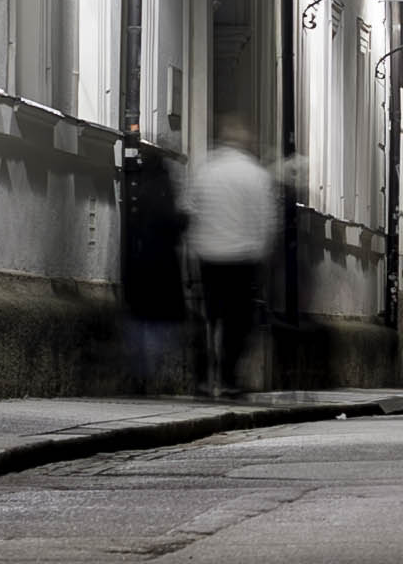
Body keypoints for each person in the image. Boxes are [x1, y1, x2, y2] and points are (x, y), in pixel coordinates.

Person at [184, 119, 280, 398]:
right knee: (238, 321)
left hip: (209, 254)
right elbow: (268, 220)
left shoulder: (205, 170)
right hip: (243, 257)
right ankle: (227, 377)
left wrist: (194, 244)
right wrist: (265, 254)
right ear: (246, 142)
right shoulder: (257, 175)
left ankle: (203, 377)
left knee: (209, 315)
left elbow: (190, 209)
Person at [115, 130, 190, 397]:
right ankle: (144, 374)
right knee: (157, 321)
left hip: (139, 261)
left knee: (141, 317)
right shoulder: (161, 183)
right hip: (158, 263)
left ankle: (140, 371)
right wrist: (183, 221)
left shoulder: (139, 181)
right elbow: (166, 220)